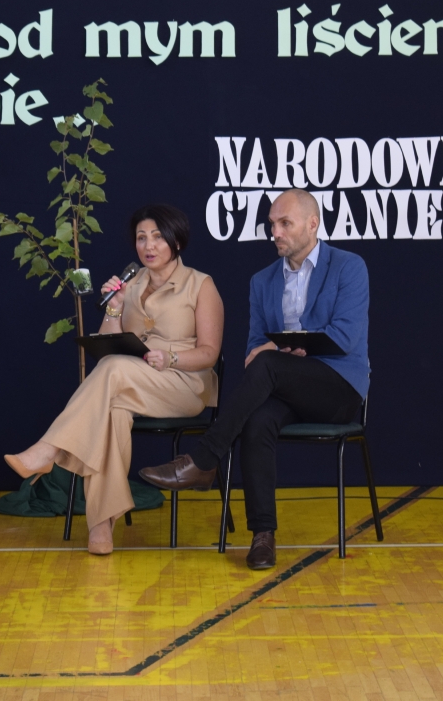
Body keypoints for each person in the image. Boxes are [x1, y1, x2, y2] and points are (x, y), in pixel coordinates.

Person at [139, 189, 369, 570]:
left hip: (338, 388)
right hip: (286, 386)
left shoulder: (348, 267)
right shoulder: (262, 281)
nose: (275, 232)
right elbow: (254, 348)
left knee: (269, 365)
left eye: (285, 223)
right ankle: (263, 535)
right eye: (272, 224)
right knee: (257, 419)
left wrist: (280, 351)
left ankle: (204, 458)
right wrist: (275, 353)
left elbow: (343, 337)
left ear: (313, 224)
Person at [4, 204, 224, 555]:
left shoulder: (201, 285)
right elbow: (108, 345)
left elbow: (210, 353)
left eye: (157, 237)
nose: (148, 246)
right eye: (141, 238)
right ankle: (101, 525)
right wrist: (115, 306)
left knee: (113, 371)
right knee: (112, 413)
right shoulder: (131, 284)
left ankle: (50, 449)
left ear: (177, 241)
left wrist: (170, 357)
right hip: (130, 383)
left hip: (184, 384)